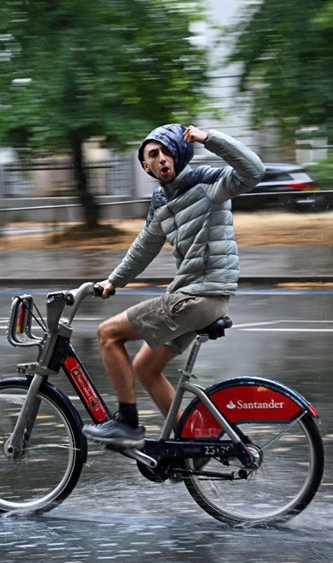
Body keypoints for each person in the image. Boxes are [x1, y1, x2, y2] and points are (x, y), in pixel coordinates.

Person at [82, 124, 264, 448]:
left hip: (201, 296)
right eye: (154, 155)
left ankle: (126, 424)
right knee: (144, 367)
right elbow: (144, 246)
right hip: (193, 296)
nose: (162, 159)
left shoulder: (207, 183)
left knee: (108, 334)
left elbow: (254, 170)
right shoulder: (161, 201)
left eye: (167, 152)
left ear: (178, 155)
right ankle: (196, 443)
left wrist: (210, 139)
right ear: (145, 165)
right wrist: (113, 281)